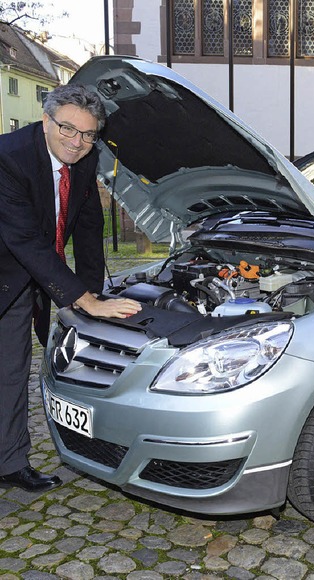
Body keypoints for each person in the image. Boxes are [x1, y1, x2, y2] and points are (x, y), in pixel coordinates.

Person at [0, 84, 141, 492]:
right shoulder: (8, 158)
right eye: (67, 129)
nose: (77, 143)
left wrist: (91, 298)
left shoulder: (85, 155)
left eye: (88, 134)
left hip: (43, 272)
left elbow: (89, 226)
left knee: (18, 371)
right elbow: (23, 240)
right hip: (7, 267)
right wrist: (83, 300)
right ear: (46, 120)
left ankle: (10, 463)